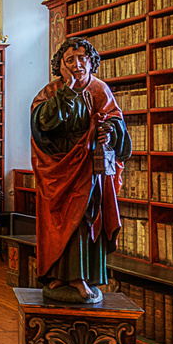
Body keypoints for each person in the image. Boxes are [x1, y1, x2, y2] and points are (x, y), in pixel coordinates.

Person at [32, 37, 130, 304]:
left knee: (84, 219)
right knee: (58, 220)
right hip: (59, 166)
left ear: (91, 61)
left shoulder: (100, 89)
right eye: (70, 60)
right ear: (61, 65)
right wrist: (69, 89)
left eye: (82, 59)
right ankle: (58, 274)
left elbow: (117, 124)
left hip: (88, 167)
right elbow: (42, 123)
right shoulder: (52, 91)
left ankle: (81, 277)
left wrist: (108, 132)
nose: (77, 65)